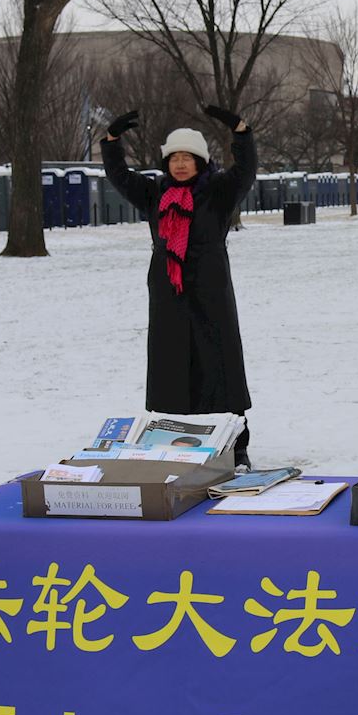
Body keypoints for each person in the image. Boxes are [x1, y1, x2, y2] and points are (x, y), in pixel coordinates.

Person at [101, 106, 257, 468]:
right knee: (171, 365)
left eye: (188, 157)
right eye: (174, 158)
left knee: (220, 363)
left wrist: (241, 131)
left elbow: (246, 170)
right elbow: (120, 176)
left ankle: (236, 445)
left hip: (210, 287)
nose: (181, 164)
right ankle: (172, 437)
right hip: (168, 291)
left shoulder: (218, 191)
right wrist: (111, 141)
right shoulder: (155, 192)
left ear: (200, 162)